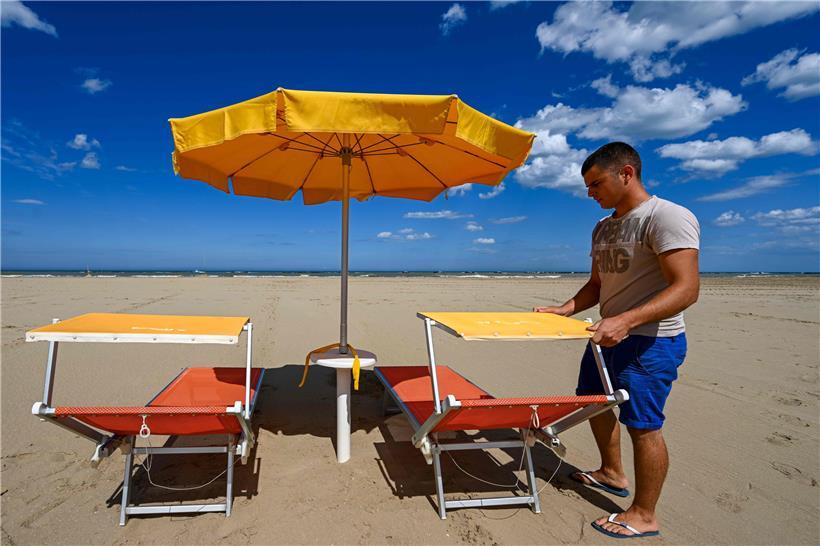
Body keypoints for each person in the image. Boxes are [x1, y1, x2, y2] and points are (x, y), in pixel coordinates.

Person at [535, 142, 700, 539]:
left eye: (596, 184)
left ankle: (644, 514)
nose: (590, 193)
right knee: (593, 404)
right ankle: (611, 472)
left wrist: (626, 320)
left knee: (643, 425)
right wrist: (564, 309)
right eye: (588, 187)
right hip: (605, 338)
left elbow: (686, 289)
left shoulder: (666, 217)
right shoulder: (604, 227)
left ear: (626, 173)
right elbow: (597, 285)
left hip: (650, 342)